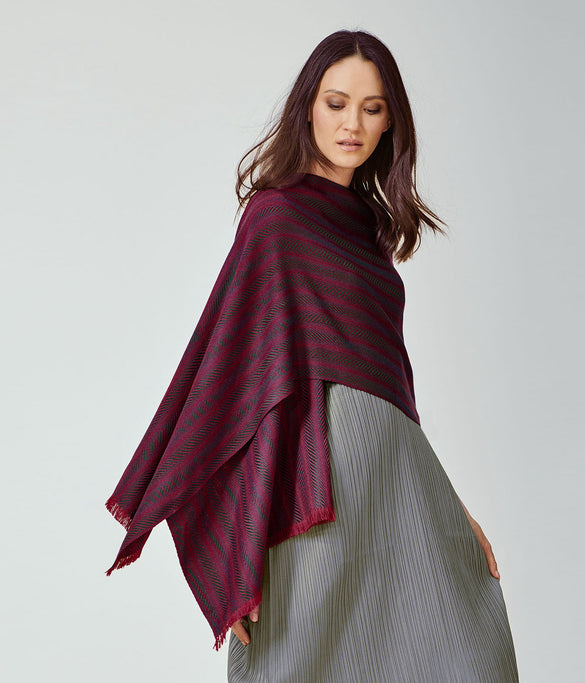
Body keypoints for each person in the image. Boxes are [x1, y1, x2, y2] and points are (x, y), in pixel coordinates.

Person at [105, 29, 519, 682]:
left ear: (390, 122)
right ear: (308, 108)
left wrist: (449, 503)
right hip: (316, 484)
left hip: (399, 480)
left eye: (372, 108)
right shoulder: (276, 218)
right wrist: (239, 550)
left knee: (470, 655)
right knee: (295, 663)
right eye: (336, 103)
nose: (353, 124)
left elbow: (394, 386)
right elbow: (235, 375)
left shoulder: (371, 233)